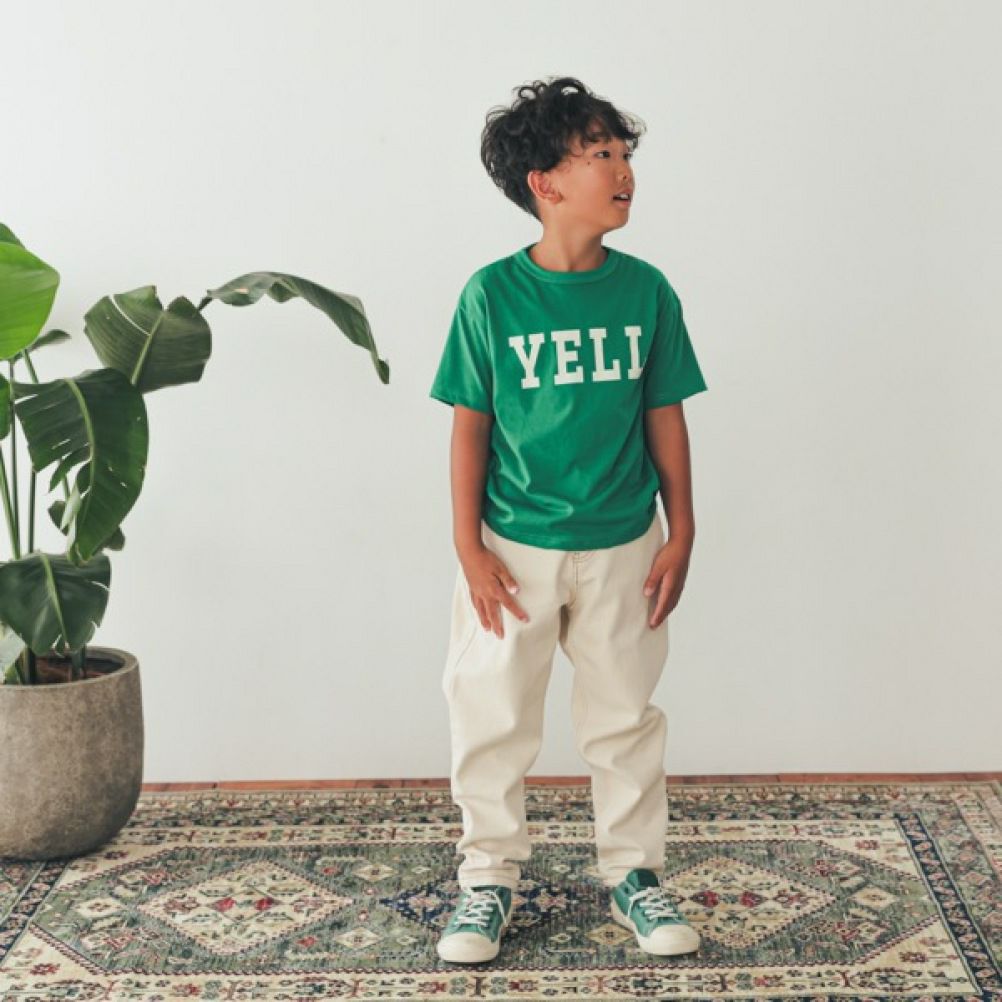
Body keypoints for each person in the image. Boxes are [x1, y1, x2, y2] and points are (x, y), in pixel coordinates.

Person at [428, 76, 708, 965]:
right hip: (514, 550)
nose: (623, 171)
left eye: (624, 154)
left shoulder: (647, 292)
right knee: (492, 714)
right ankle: (487, 878)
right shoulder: (491, 295)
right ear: (544, 182)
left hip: (624, 544)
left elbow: (664, 414)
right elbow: (470, 425)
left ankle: (634, 874)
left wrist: (683, 529)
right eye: (600, 156)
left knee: (625, 717)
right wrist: (469, 547)